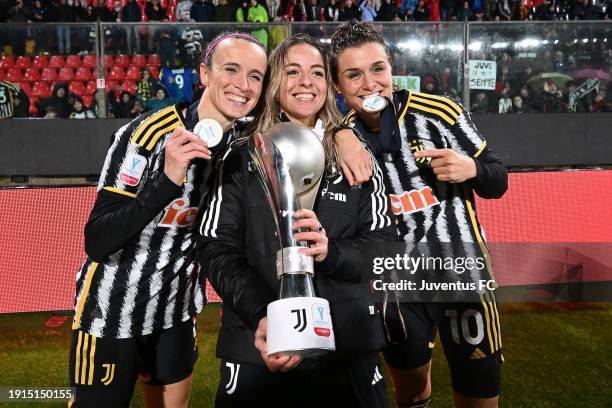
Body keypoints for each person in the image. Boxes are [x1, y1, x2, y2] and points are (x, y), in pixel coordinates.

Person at [68, 32, 268, 407]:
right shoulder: (144, 136)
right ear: (204, 74)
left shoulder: (247, 144)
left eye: (256, 76)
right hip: (112, 315)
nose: (243, 85)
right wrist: (167, 181)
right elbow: (97, 240)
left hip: (176, 315)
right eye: (231, 69)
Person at [196, 33, 396, 408]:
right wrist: (262, 316)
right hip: (259, 347)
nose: (306, 81)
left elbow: (386, 246)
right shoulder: (240, 156)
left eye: (317, 72)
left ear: (329, 84)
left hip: (346, 347)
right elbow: (215, 248)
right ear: (273, 82)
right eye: (292, 71)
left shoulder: (356, 156)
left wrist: (331, 252)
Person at [331, 21, 507, 408]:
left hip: (463, 277)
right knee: (411, 392)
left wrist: (472, 169)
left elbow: (498, 180)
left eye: (378, 69)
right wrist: (339, 135)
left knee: (478, 392)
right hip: (397, 286)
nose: (370, 84)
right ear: (338, 86)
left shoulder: (439, 113)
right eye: (353, 75)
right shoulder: (338, 138)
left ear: (391, 68)